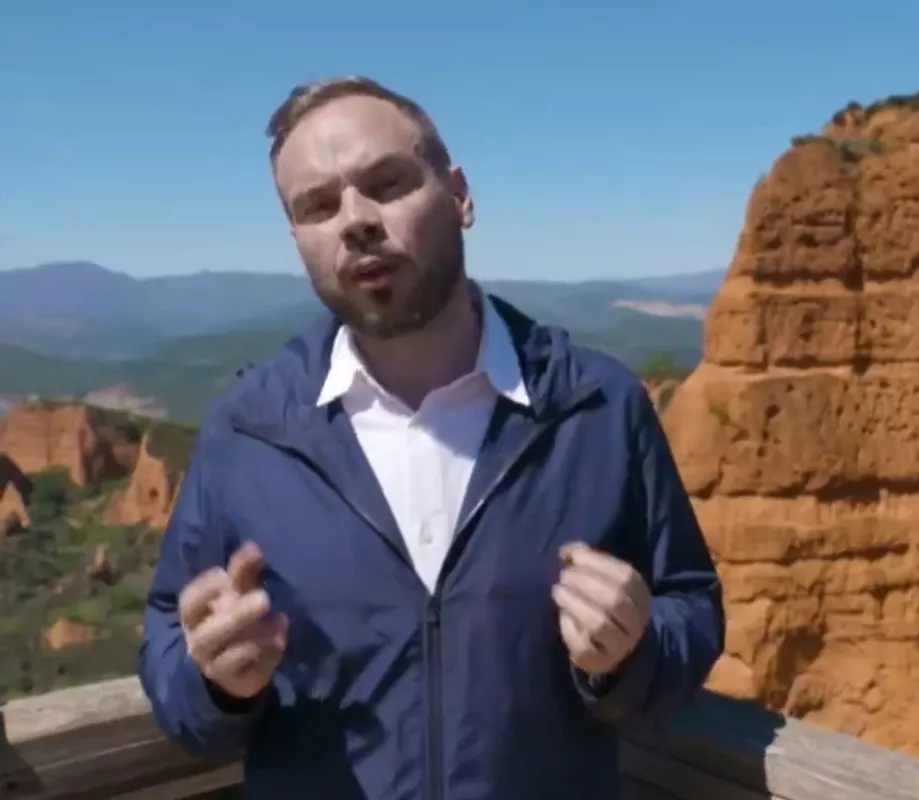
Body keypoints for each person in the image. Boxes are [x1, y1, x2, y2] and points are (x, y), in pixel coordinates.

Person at [137, 76, 725, 799]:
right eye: (318, 206)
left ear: (459, 196)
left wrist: (628, 656)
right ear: (298, 239)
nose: (355, 220)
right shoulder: (249, 429)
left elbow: (690, 609)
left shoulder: (597, 407)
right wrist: (213, 683)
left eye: (386, 183)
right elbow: (169, 640)